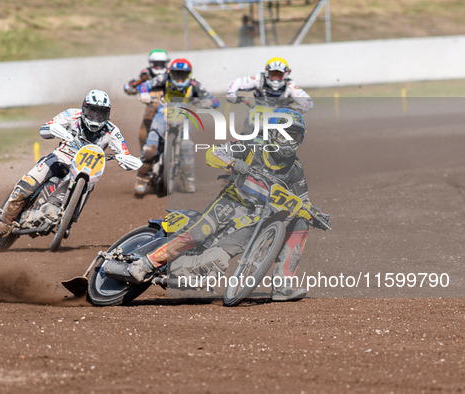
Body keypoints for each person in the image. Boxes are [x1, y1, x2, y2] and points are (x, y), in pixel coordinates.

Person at [127, 108, 331, 301]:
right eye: (282, 135)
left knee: (300, 223)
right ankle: (147, 263)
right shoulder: (252, 144)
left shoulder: (295, 167)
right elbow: (213, 154)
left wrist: (314, 212)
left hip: (254, 219)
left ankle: (283, 285)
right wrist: (234, 163)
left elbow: (302, 200)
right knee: (198, 233)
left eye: (293, 136)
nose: (287, 141)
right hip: (229, 203)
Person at [0, 89, 137, 238]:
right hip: (59, 158)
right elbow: (45, 129)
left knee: (89, 186)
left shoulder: (112, 131)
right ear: (85, 109)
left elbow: (125, 154)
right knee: (28, 183)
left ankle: (67, 221)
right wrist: (54, 129)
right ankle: (4, 222)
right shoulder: (71, 115)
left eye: (101, 113)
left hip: (86, 169)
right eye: (92, 112)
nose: (96, 117)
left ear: (107, 114)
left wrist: (126, 160)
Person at [134, 58, 219, 197]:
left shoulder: (194, 84)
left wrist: (206, 102)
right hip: (163, 113)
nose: (180, 79)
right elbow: (144, 86)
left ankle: (187, 180)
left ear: (189, 74)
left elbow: (213, 100)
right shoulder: (164, 78)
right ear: (171, 73)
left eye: (183, 75)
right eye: (177, 74)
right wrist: (144, 95)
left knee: (187, 146)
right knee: (151, 147)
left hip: (183, 115)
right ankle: (142, 178)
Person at [227, 57, 313, 113]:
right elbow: (236, 82)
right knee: (245, 135)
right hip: (258, 116)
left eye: (279, 75)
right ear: (267, 73)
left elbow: (308, 103)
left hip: (281, 120)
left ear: (285, 75)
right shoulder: (259, 79)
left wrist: (292, 109)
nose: (276, 78)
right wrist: (231, 93)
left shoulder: (290, 85)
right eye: (273, 74)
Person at [123, 49, 170, 148]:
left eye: (161, 64)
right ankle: (147, 155)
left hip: (172, 107)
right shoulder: (145, 74)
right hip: (153, 108)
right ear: (151, 63)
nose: (159, 67)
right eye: (156, 64)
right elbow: (128, 87)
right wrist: (138, 84)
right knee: (143, 134)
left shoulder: (171, 74)